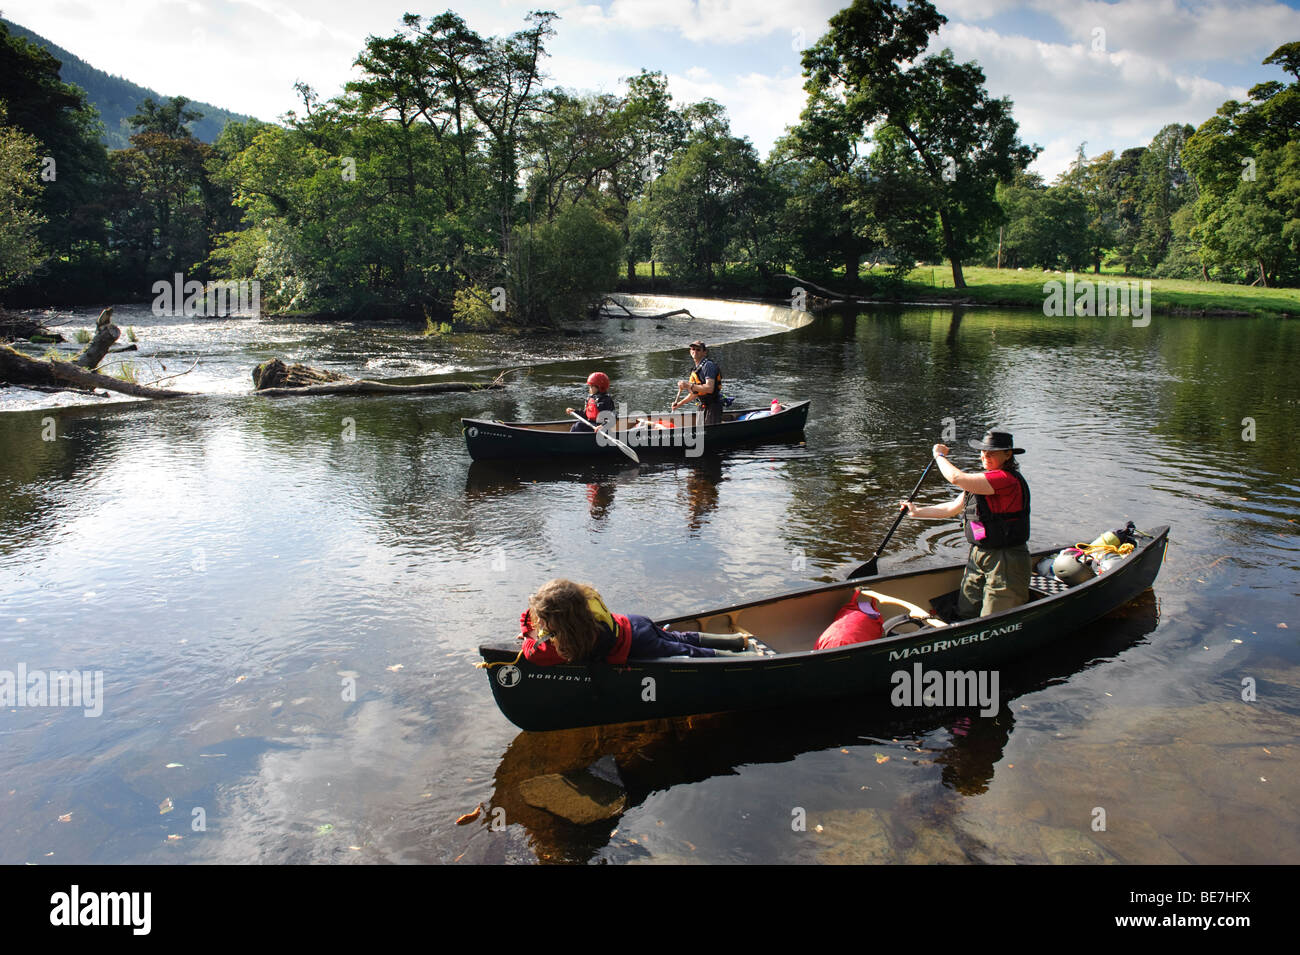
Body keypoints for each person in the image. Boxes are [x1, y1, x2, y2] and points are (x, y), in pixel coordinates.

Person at [899, 430, 1031, 620]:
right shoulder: (984, 480)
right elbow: (951, 508)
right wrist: (917, 511)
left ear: (1008, 454)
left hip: (1006, 558)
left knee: (995, 617)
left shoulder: (1005, 480)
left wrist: (939, 455)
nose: (985, 456)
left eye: (991, 452)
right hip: (978, 553)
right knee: (966, 610)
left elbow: (956, 478)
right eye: (983, 452)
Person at [518, 579, 753, 665]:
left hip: (638, 643)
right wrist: (532, 627)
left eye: (544, 620)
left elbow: (531, 654)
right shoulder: (582, 607)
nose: (541, 624)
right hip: (634, 622)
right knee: (677, 638)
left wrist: (527, 633)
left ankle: (742, 659)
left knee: (683, 650)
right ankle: (735, 640)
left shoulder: (571, 641)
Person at [674, 341, 723, 426]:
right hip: (702, 405)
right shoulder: (695, 369)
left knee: (708, 433)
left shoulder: (708, 366)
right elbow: (694, 394)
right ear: (690, 351)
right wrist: (679, 404)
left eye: (698, 349)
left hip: (713, 405)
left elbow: (709, 388)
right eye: (693, 349)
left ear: (704, 352)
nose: (695, 351)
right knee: (699, 432)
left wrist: (688, 385)